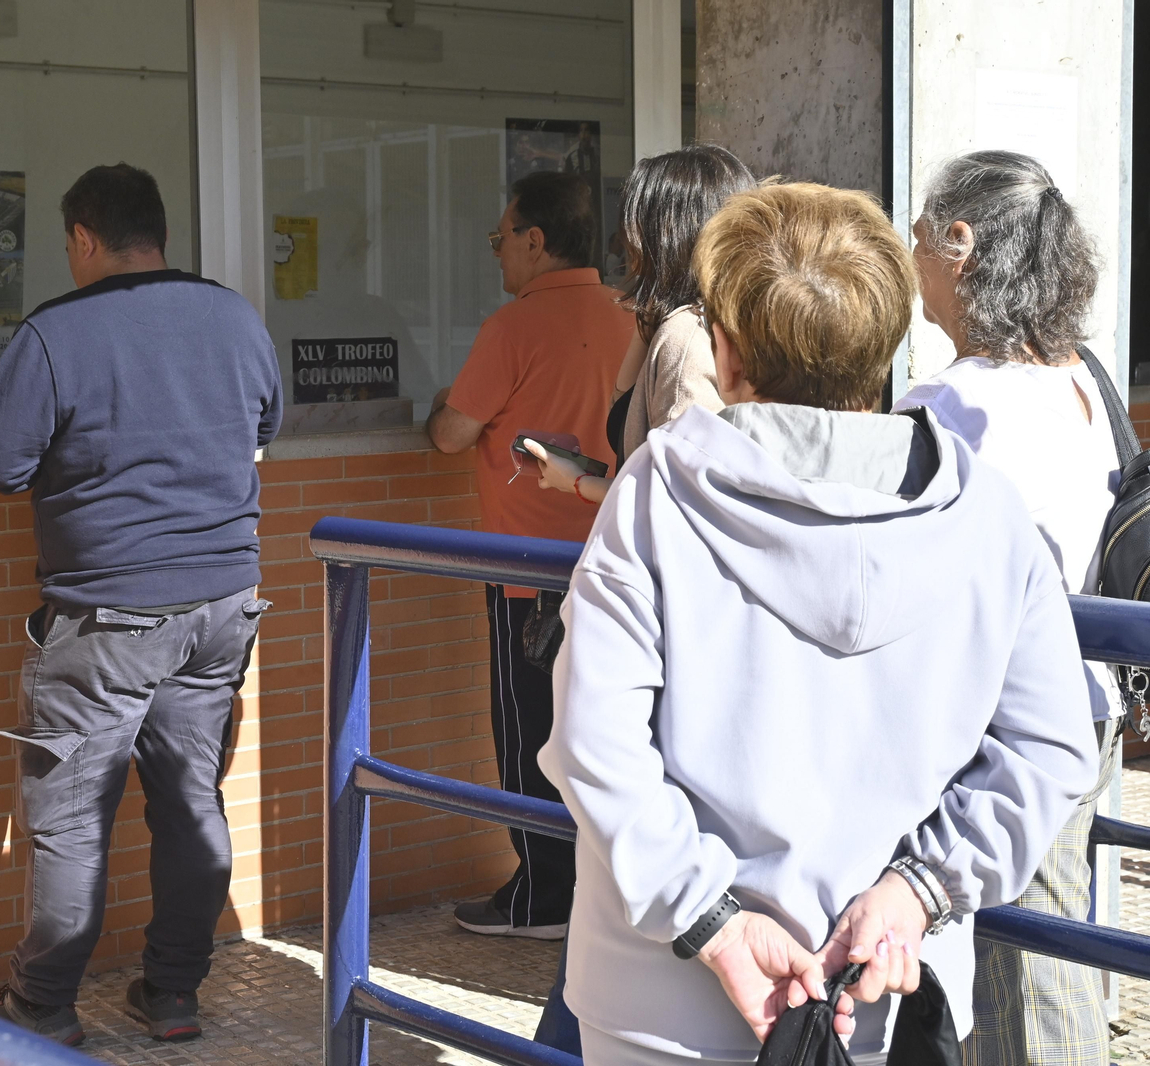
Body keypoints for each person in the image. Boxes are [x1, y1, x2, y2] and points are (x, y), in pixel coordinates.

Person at [539, 181, 1098, 1065]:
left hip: (662, 1002)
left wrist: (714, 922)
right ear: (885, 348)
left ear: (724, 352)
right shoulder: (988, 515)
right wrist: (919, 891)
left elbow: (595, 746)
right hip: (888, 990)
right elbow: (1051, 747)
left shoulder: (656, 493)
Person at [0, 163, 282, 1046]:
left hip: (107, 618)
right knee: (190, 801)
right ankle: (172, 992)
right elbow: (264, 428)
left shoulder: (58, 332)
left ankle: (44, 1005)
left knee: (70, 820)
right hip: (222, 608)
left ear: (82, 238)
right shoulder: (234, 316)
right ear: (161, 234)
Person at [895, 149, 1119, 1065]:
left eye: (917, 237)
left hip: (1005, 728)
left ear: (962, 245)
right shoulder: (1085, 377)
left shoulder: (950, 403)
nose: (910, 259)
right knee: (1048, 958)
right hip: (1092, 702)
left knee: (1033, 981)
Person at [426, 170, 636, 939]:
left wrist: (439, 417)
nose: (497, 255)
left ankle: (543, 897)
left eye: (500, 238)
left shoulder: (511, 328)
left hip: (529, 575)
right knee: (599, 736)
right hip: (619, 567)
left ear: (535, 241)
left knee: (529, 735)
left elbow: (451, 431)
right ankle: (590, 893)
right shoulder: (630, 316)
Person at [524, 145, 755, 503]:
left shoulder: (685, 336)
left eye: (636, 225)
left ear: (667, 235)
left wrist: (577, 481)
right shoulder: (713, 321)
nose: (626, 241)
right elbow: (622, 406)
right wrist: (652, 304)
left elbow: (680, 498)